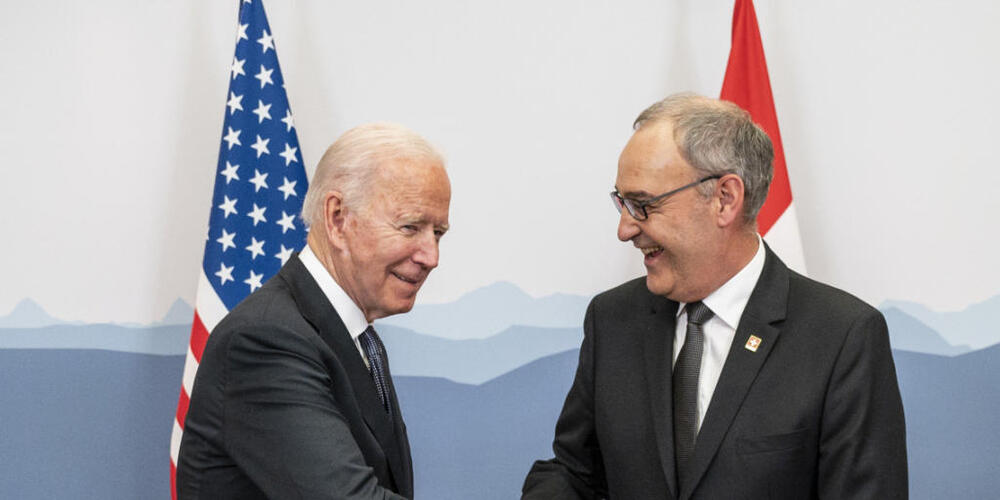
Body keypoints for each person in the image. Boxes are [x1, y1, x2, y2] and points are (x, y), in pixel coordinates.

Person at [523, 93, 907, 499]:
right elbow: (576, 473)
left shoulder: (841, 337)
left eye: (643, 205)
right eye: (622, 202)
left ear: (725, 199)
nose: (625, 229)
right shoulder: (613, 319)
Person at [177, 123, 451, 499]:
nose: (431, 257)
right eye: (410, 227)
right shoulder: (264, 341)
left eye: (438, 233)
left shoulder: (357, 337)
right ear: (337, 218)